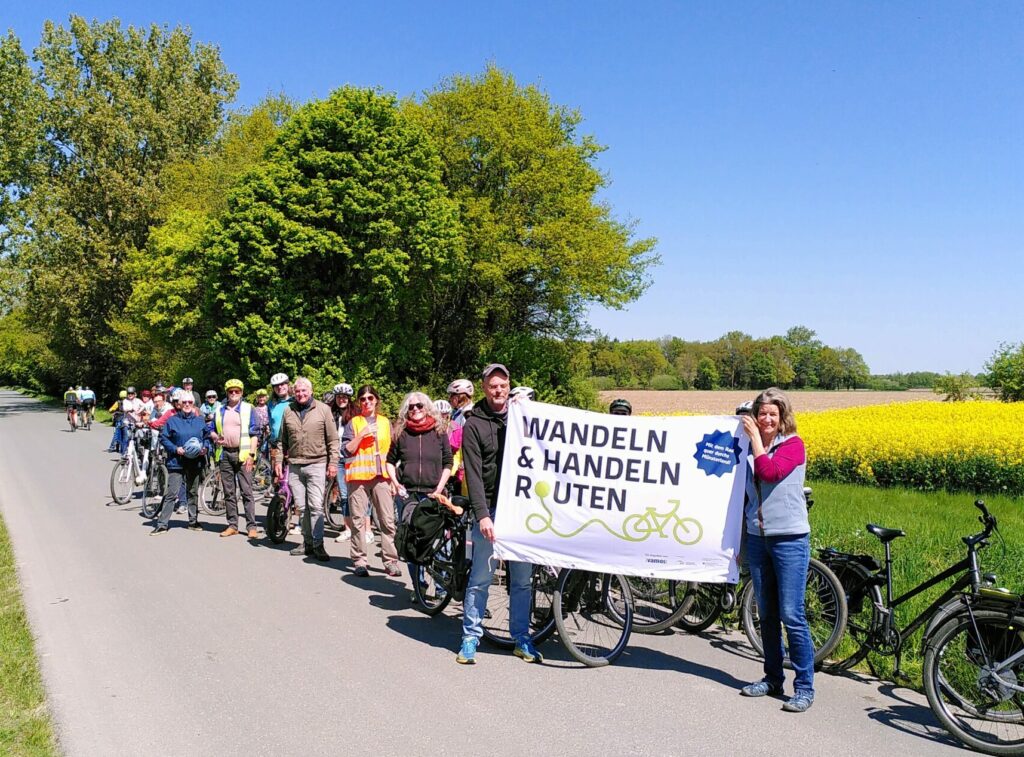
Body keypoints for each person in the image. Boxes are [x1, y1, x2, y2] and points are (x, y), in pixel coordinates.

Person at [456, 363, 541, 665]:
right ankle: (470, 637)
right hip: (490, 509)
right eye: (493, 385)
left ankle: (521, 637)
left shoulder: (521, 418)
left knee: (522, 580)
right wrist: (482, 515)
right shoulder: (473, 424)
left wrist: (528, 412)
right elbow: (474, 475)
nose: (498, 390)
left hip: (520, 510)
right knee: (481, 577)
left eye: (503, 385)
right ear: (484, 388)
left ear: (509, 387)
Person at [738, 387, 814, 713]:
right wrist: (742, 541)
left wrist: (754, 439)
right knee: (766, 614)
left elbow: (769, 473)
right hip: (758, 538)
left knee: (791, 614)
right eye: (761, 413)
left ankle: (804, 688)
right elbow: (744, 498)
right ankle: (772, 678)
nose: (766, 419)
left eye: (772, 414)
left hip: (790, 539)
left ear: (782, 417)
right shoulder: (749, 450)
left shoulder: (793, 446)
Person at [385, 392, 453, 593]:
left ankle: (441, 588)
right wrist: (396, 483)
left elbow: (448, 462)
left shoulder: (440, 432)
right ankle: (418, 587)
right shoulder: (401, 433)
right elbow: (390, 461)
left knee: (439, 542)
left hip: (434, 493)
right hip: (410, 494)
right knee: (412, 543)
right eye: (411, 407)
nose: (415, 410)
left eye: (419, 406)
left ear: (427, 408)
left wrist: (440, 488)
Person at [273, 377, 338, 562]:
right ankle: (307, 542)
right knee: (302, 507)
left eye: (304, 391)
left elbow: (333, 440)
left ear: (311, 391)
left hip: (317, 463)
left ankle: (318, 544)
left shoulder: (323, 410)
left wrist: (333, 463)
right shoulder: (288, 411)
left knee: (316, 506)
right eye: (298, 391)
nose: (301, 394)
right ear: (294, 393)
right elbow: (281, 441)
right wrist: (279, 460)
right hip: (295, 465)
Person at [342, 385, 401, 577]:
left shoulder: (385, 423)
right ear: (359, 403)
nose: (366, 402)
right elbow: (346, 450)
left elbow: (393, 452)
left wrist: (394, 480)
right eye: (363, 399)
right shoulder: (354, 422)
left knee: (387, 520)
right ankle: (360, 560)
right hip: (358, 477)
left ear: (376, 400)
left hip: (381, 476)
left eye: (370, 398)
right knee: (358, 520)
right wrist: (362, 434)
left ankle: (390, 560)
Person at [151, 390, 211, 535]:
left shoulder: (199, 421)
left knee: (192, 492)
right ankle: (162, 524)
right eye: (184, 402)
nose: (187, 404)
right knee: (172, 493)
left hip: (195, 461)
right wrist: (175, 449)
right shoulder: (172, 420)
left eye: (190, 402)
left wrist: (205, 448)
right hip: (176, 461)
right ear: (179, 404)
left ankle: (193, 521)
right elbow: (163, 438)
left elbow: (207, 437)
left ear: (193, 404)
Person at [209, 379, 261, 539]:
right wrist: (216, 437)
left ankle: (251, 526)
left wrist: (251, 455)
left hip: (244, 455)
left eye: (237, 391)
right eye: (231, 391)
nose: (233, 394)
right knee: (229, 492)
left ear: (242, 393)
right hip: (225, 454)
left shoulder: (248, 409)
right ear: (227, 393)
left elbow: (254, 434)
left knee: (246, 491)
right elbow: (210, 429)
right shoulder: (220, 410)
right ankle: (232, 525)